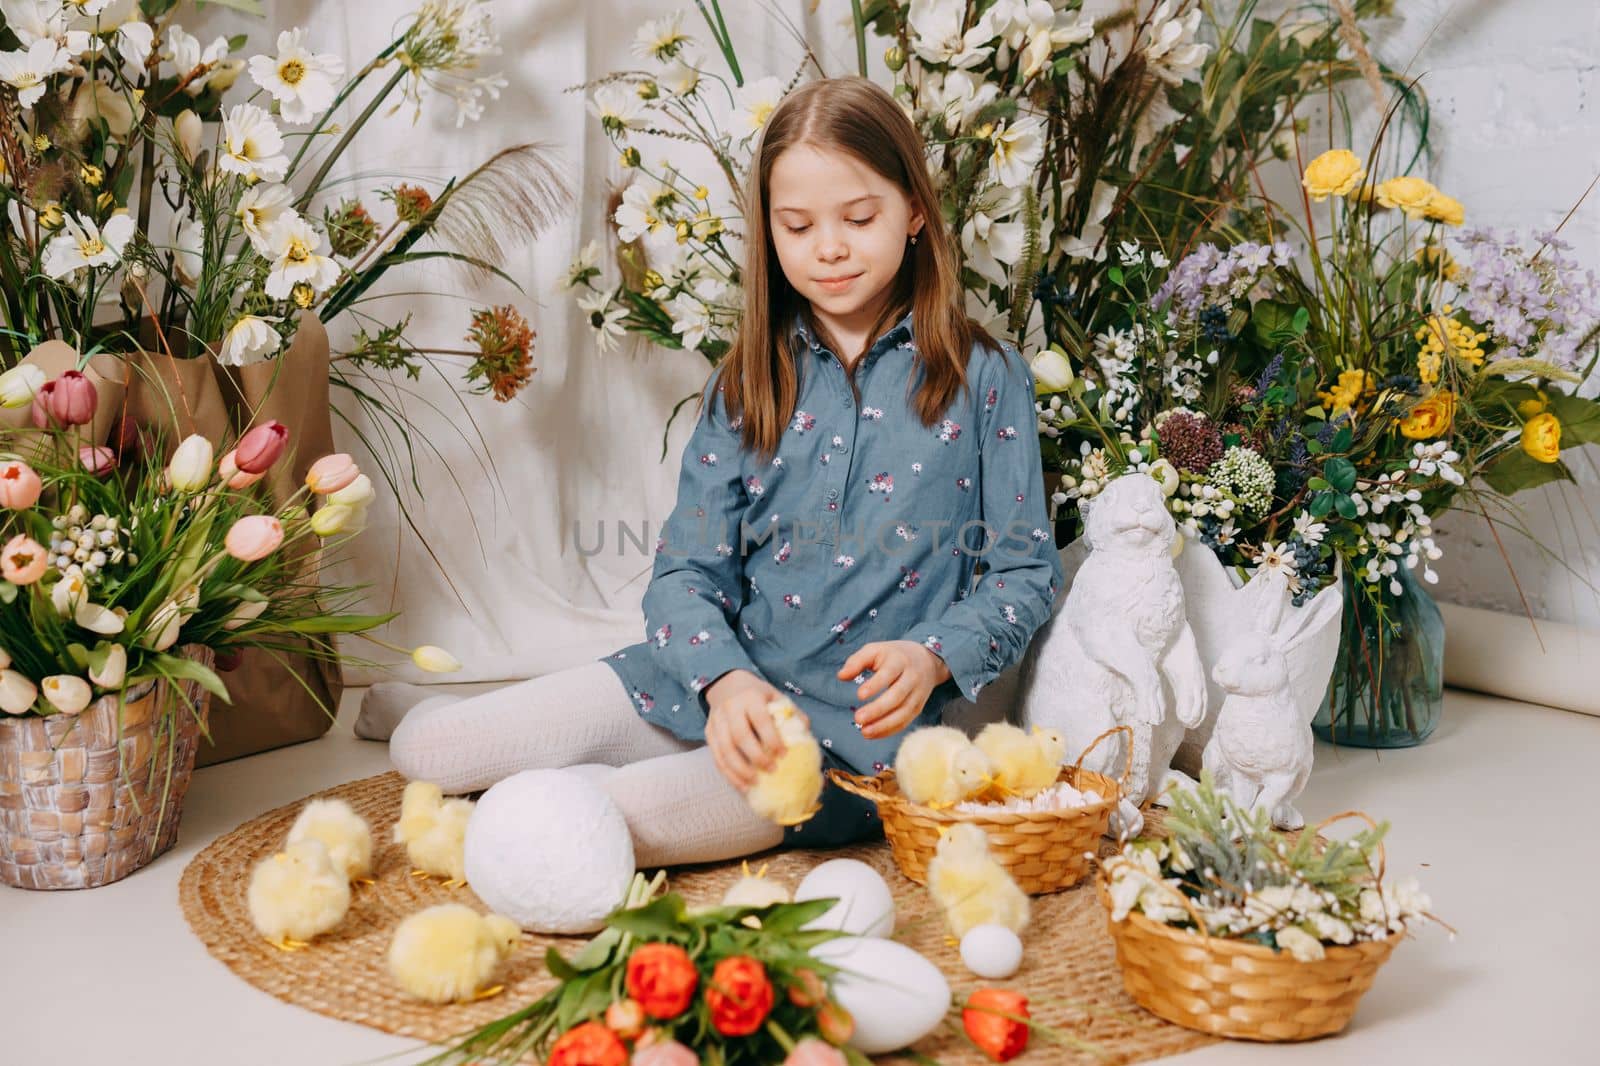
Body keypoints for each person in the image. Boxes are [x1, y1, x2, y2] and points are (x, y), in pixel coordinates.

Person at [372, 76, 1063, 866]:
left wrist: (932, 653)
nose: (829, 247)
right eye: (797, 226)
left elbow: (1024, 573)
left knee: (580, 824)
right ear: (767, 233)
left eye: (859, 218)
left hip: (834, 753)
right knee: (429, 753)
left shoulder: (986, 375)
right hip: (700, 687)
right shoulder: (746, 380)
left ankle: (610, 782)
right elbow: (683, 575)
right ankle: (415, 708)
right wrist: (726, 682)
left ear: (914, 212)